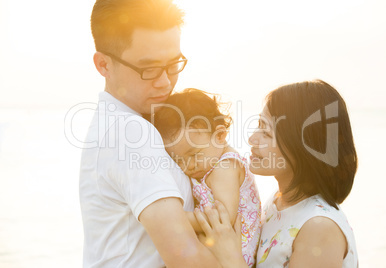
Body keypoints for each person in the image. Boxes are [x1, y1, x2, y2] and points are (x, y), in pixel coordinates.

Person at [79, 0, 221, 267]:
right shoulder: (129, 131)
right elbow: (184, 256)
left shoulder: (124, 124)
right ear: (104, 65)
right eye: (149, 69)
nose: (166, 82)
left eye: (173, 64)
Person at [194, 80, 359, 267]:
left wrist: (229, 256)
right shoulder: (277, 202)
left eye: (266, 132)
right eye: (258, 125)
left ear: (305, 147)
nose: (252, 138)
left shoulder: (319, 228)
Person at [153, 88, 262, 267]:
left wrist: (172, 217)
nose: (187, 166)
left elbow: (222, 219)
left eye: (194, 155)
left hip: (231, 257)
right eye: (177, 160)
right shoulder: (211, 164)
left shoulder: (225, 168)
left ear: (219, 136)